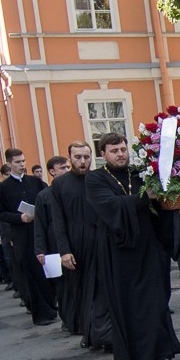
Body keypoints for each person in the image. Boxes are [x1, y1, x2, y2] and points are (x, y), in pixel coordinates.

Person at [86, 132, 180, 360]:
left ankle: (161, 355)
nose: (120, 155)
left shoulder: (140, 174)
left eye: (123, 149)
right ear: (103, 154)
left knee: (155, 300)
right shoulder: (96, 179)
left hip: (147, 246)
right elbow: (109, 206)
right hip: (117, 251)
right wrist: (144, 198)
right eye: (114, 151)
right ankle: (135, 357)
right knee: (126, 304)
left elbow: (160, 202)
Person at [51, 141, 112, 345]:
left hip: (101, 240)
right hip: (75, 244)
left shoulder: (99, 178)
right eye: (77, 157)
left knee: (103, 289)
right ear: (69, 158)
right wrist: (64, 251)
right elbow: (58, 221)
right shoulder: (60, 184)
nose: (83, 161)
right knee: (80, 291)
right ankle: (88, 333)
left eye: (86, 157)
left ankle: (105, 334)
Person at [0, 148, 57, 326]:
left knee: (47, 271)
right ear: (9, 164)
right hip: (21, 235)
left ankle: (52, 307)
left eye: (23, 161)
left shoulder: (35, 182)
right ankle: (39, 313)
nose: (22, 165)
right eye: (17, 162)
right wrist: (19, 218)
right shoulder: (3, 187)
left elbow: (47, 200)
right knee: (30, 273)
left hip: (40, 231)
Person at [34, 156, 69, 325]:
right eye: (62, 168)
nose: (66, 171)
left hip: (73, 242)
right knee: (61, 286)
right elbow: (39, 224)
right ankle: (67, 319)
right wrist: (40, 249)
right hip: (54, 246)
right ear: (52, 171)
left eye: (67, 167)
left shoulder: (73, 190)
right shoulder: (44, 195)